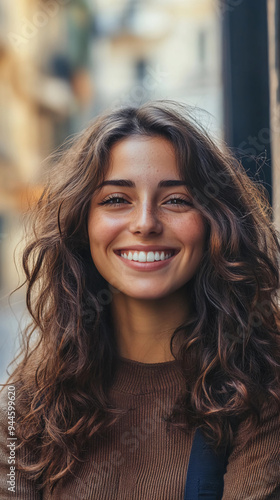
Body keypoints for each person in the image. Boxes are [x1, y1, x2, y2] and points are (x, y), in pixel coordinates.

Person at [0, 101, 280, 499]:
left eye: (176, 200)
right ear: (83, 225)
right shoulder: (23, 404)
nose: (145, 222)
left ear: (215, 223)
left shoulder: (261, 387)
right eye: (116, 199)